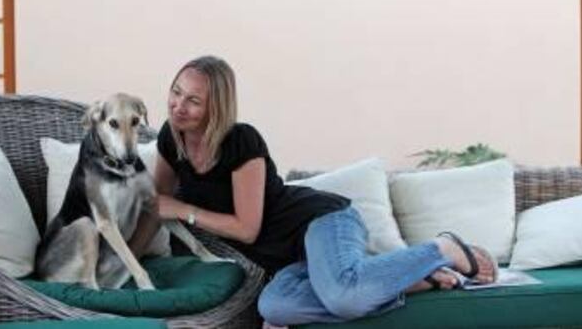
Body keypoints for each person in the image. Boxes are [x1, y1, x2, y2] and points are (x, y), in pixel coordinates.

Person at [152, 55, 497, 326]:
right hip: (292, 259)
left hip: (321, 222)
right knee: (274, 308)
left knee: (344, 297)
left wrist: (184, 210)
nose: (178, 106)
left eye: (193, 100)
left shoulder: (241, 140)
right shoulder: (172, 137)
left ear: (216, 106)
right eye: (176, 92)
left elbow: (247, 228)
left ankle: (441, 248)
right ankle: (408, 279)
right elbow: (153, 206)